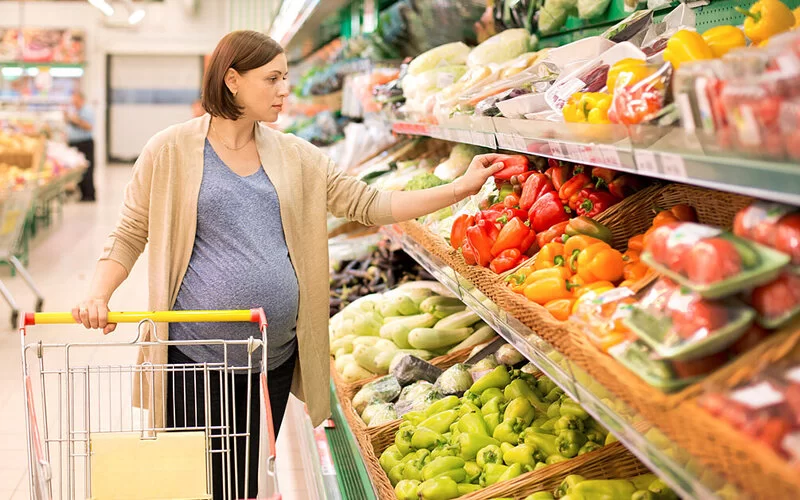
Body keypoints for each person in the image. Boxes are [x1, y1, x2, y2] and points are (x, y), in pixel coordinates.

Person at [72, 30, 504, 498]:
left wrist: (459, 188)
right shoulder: (169, 150)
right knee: (200, 485)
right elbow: (131, 231)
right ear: (232, 79)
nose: (285, 90)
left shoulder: (295, 154)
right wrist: (99, 293)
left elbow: (370, 203)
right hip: (195, 358)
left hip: (270, 358)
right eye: (273, 78)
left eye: (286, 78)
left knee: (245, 481)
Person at [66, 90, 96, 201]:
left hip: (84, 143)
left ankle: (89, 195)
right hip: (76, 143)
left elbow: (88, 126)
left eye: (75, 99)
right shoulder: (76, 110)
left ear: (81, 99)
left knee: (87, 170)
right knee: (80, 171)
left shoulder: (86, 110)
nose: (73, 101)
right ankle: (83, 194)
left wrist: (75, 120)